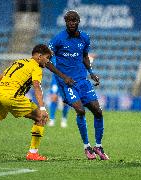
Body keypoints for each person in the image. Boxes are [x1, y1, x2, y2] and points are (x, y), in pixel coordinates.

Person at [46, 10, 109, 160]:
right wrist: (63, 77)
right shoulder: (58, 40)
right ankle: (87, 147)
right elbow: (47, 61)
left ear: (79, 21)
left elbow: (85, 56)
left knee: (98, 112)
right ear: (65, 22)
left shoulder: (85, 38)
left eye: (74, 20)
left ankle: (98, 146)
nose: (72, 23)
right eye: (69, 20)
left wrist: (91, 72)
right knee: (80, 111)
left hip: (83, 81)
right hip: (67, 83)